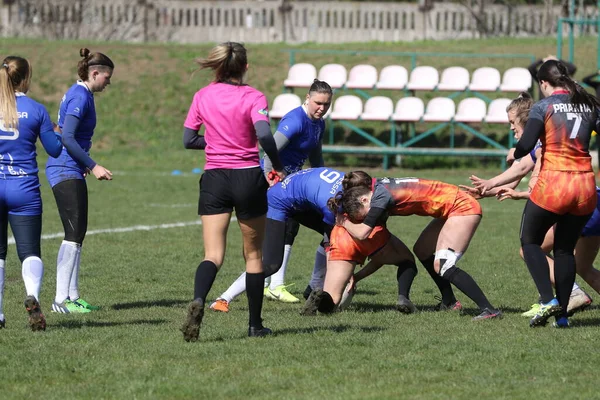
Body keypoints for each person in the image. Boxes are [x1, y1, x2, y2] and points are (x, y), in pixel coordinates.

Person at [478, 60, 600, 328]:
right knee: (565, 250)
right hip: (585, 187)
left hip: (555, 184)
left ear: (544, 83)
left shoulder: (544, 107)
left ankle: (548, 300)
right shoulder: (588, 103)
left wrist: (518, 150)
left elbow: (525, 146)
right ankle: (563, 316)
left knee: (529, 241)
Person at [180, 42, 285, 341]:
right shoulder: (254, 96)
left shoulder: (203, 95)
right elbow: (264, 133)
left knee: (212, 254)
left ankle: (199, 299)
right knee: (253, 255)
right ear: (246, 67)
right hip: (248, 179)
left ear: (218, 67)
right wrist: (277, 165)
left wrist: (213, 143)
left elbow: (189, 139)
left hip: (214, 179)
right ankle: (254, 326)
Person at [210, 79, 333, 310]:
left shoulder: (319, 123)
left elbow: (316, 160)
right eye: (318, 103)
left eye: (326, 104)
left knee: (330, 231)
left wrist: (324, 181)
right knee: (269, 257)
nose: (322, 108)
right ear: (307, 98)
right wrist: (272, 181)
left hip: (295, 188)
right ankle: (225, 297)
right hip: (275, 187)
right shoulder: (295, 120)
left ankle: (308, 288)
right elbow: (269, 152)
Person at [328, 171, 502, 321]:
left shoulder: (380, 197)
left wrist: (342, 222)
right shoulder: (378, 187)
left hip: (462, 207)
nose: (369, 217)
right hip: (451, 206)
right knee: (422, 250)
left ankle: (489, 310)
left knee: (443, 264)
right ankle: (449, 302)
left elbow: (363, 233)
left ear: (364, 198)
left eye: (364, 214)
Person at [211, 167, 344, 313]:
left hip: (298, 198)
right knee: (271, 264)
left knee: (339, 238)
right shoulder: (332, 207)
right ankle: (223, 299)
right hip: (277, 202)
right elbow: (332, 254)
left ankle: (313, 288)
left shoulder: (349, 195)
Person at [45, 48, 114, 314]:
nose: (108, 82)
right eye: (106, 77)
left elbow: (61, 129)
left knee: (78, 234)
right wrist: (93, 165)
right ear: (94, 73)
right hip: (64, 168)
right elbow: (69, 138)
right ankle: (61, 300)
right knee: (73, 234)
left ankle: (73, 297)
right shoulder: (80, 96)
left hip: (71, 167)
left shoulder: (82, 94)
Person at [0, 56, 62, 331]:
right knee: (29, 252)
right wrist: (56, 131)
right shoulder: (35, 109)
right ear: (25, 78)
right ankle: (33, 297)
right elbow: (54, 149)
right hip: (24, 189)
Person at [300, 223, 417, 315]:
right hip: (370, 233)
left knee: (333, 299)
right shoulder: (377, 196)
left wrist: (355, 277)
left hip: (341, 236)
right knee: (407, 260)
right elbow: (380, 258)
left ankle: (321, 300)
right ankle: (403, 298)